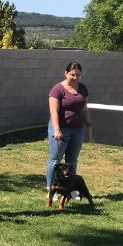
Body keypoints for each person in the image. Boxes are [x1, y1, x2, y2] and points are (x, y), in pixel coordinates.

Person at [46, 61, 93, 201]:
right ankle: (51, 189)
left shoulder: (82, 88)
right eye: (72, 74)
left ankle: (70, 189)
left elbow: (85, 109)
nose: (75, 77)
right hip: (60, 129)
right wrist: (57, 130)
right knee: (55, 160)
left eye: (78, 75)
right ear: (66, 73)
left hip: (77, 129)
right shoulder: (57, 89)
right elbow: (54, 112)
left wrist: (89, 125)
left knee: (72, 161)